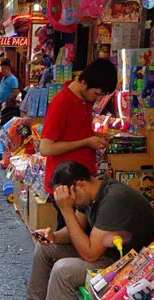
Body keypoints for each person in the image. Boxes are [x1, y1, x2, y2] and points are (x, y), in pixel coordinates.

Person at [8, 161, 154, 300]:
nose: (70, 203)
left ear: (80, 185)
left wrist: (65, 210)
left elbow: (89, 253)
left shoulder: (114, 200)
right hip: (106, 252)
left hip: (127, 265)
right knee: (46, 249)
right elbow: (73, 231)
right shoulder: (88, 195)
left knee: (64, 271)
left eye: (70, 198)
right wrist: (53, 236)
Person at [40, 59, 117, 228]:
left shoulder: (85, 100)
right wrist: (87, 141)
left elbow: (74, 132)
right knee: (71, 236)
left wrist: (95, 136)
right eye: (97, 94)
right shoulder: (62, 103)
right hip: (67, 187)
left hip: (82, 184)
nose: (97, 99)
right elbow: (45, 148)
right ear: (83, 83)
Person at [0, 59, 20, 124]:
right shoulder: (4, 78)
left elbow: (15, 93)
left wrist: (7, 102)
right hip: (1, 103)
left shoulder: (13, 79)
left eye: (3, 69)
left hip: (7, 106)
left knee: (4, 121)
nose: (1, 71)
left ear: (7, 68)